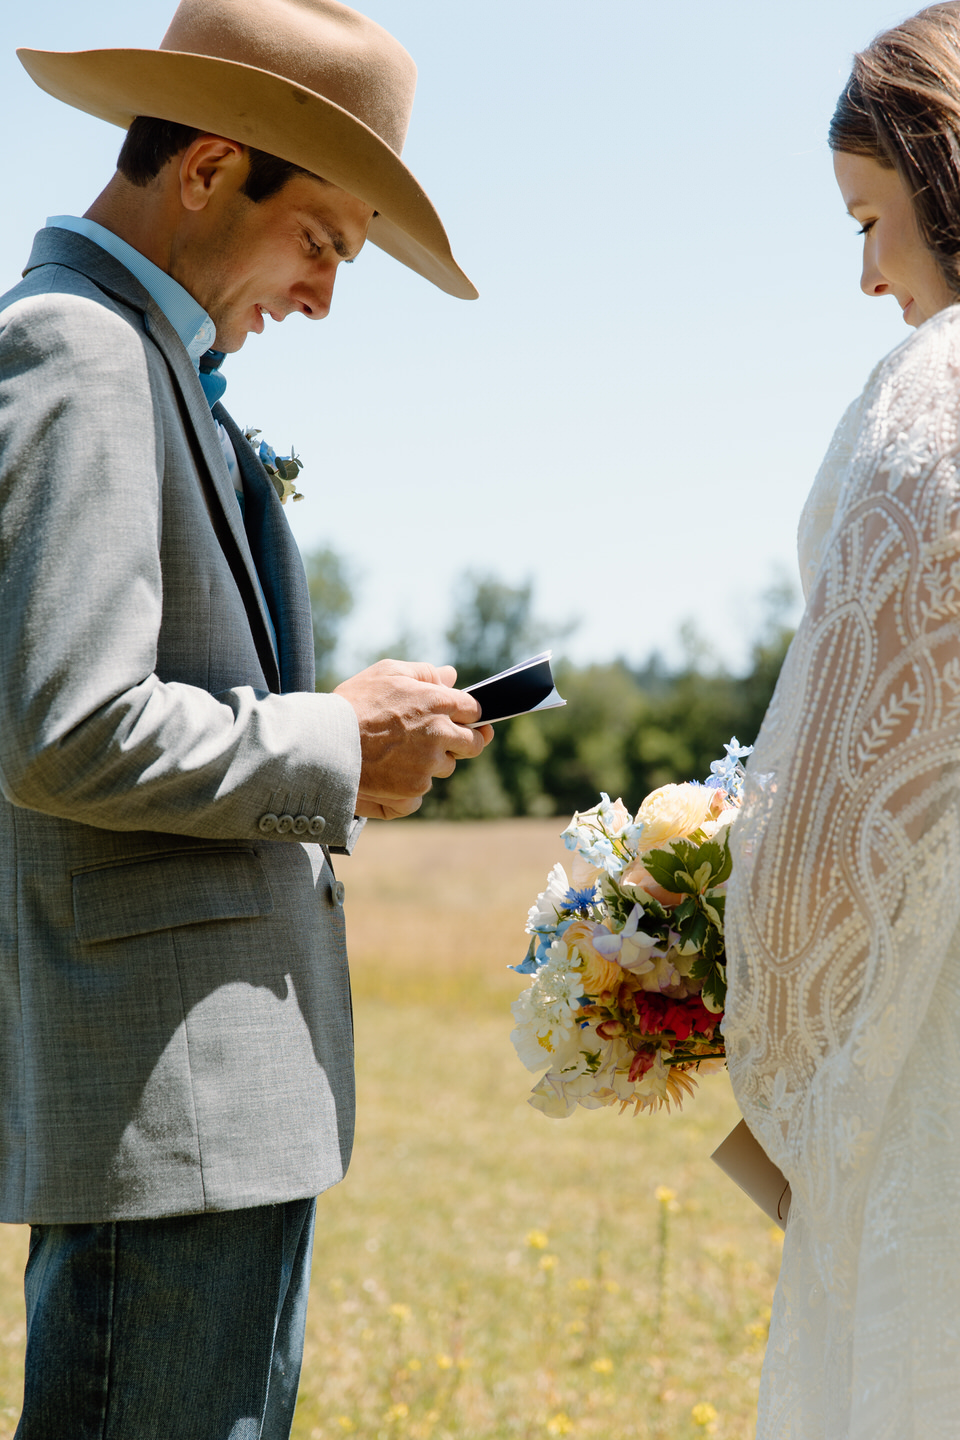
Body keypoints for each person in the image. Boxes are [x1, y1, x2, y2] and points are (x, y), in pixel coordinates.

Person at [0, 0, 493, 1434]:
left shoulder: (138, 364)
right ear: (210, 170)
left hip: (210, 1118)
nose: (327, 297)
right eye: (326, 241)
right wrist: (335, 738)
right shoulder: (77, 352)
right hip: (165, 1112)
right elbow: (63, 726)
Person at [723, 4, 960, 1435]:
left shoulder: (930, 403)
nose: (867, 274)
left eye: (869, 220)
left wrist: (775, 1043)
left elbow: (828, 802)